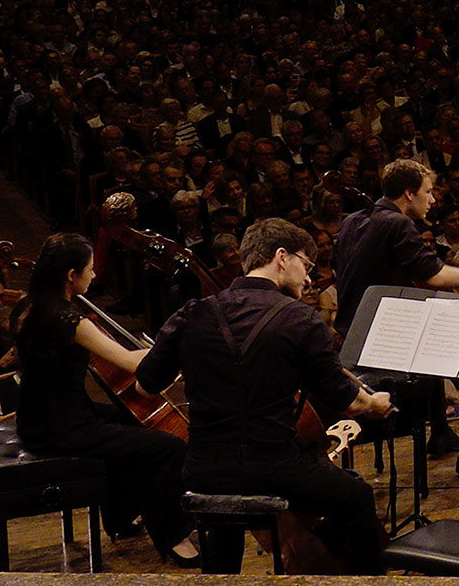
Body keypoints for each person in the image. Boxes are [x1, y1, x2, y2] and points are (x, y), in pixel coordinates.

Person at [137, 219, 394, 575]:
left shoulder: (192, 313)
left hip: (204, 470)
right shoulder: (302, 319)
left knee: (225, 519)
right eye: (306, 264)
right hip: (273, 467)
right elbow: (349, 401)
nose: (308, 279)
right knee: (356, 497)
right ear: (282, 257)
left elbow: (145, 385)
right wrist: (376, 403)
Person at [14, 234, 198, 565]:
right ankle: (173, 535)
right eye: (90, 268)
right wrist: (172, 349)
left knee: (131, 424)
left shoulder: (27, 307)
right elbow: (129, 363)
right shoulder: (70, 321)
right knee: (168, 446)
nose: (95, 275)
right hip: (62, 426)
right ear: (71, 275)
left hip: (35, 416)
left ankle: (119, 516)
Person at [333, 159, 459, 458]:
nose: (433, 200)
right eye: (428, 192)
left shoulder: (351, 221)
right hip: (380, 336)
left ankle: (441, 430)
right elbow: (433, 274)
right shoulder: (396, 223)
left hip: (352, 331)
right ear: (409, 194)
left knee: (432, 329)